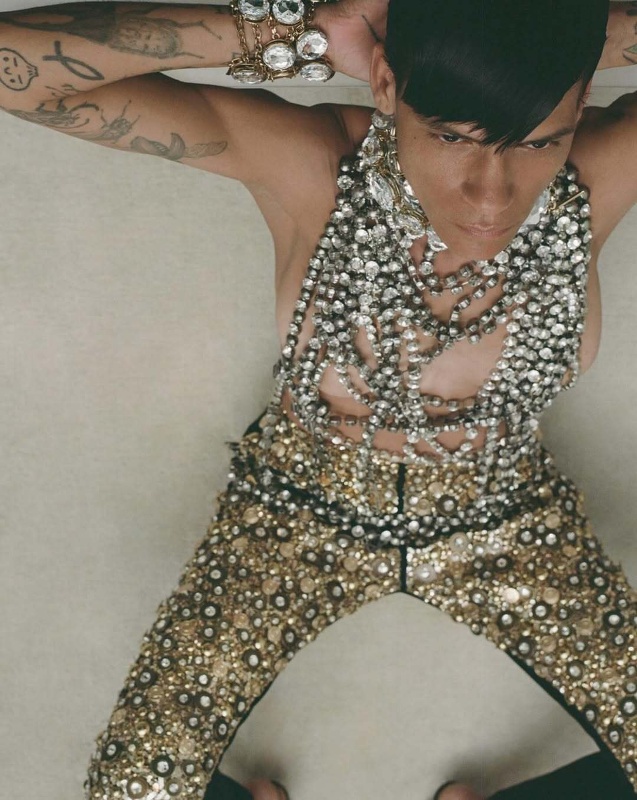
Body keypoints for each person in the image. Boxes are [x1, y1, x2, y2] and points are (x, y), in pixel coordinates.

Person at [2, 0, 636, 798]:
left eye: (538, 140)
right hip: (297, 513)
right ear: (386, 84)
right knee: (131, 789)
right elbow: (18, 74)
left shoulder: (595, 173)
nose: (489, 196)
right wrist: (302, 34)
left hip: (506, 518)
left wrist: (552, 47)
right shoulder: (313, 164)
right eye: (451, 136)